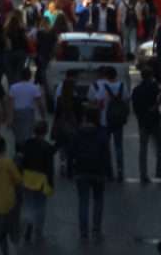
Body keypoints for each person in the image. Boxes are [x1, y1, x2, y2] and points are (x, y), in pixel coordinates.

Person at [69, 104, 110, 242]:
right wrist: (108, 172)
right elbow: (106, 153)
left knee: (83, 202)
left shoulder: (78, 132)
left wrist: (70, 169)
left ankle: (83, 232)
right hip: (98, 170)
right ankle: (96, 229)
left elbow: (71, 152)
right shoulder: (102, 132)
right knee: (98, 201)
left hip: (81, 170)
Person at [20, 121, 55, 244]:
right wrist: (50, 184)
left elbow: (22, 162)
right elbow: (49, 168)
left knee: (29, 204)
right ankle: (38, 230)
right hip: (41, 179)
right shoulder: (48, 147)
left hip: (28, 178)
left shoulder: (27, 144)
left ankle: (28, 226)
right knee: (40, 206)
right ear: (45, 132)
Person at [131, 66, 161, 183]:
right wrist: (156, 106)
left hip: (143, 121)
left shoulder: (136, 90)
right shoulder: (155, 87)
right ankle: (159, 171)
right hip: (154, 119)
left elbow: (134, 107)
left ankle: (143, 173)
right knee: (160, 145)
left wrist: (141, 115)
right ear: (151, 76)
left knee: (143, 147)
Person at [8, 66, 45, 152]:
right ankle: (26, 155)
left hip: (17, 113)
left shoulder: (13, 87)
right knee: (28, 136)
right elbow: (40, 104)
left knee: (18, 137)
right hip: (28, 114)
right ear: (29, 76)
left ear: (20, 76)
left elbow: (10, 104)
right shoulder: (34, 88)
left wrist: (9, 118)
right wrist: (43, 115)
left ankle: (18, 154)